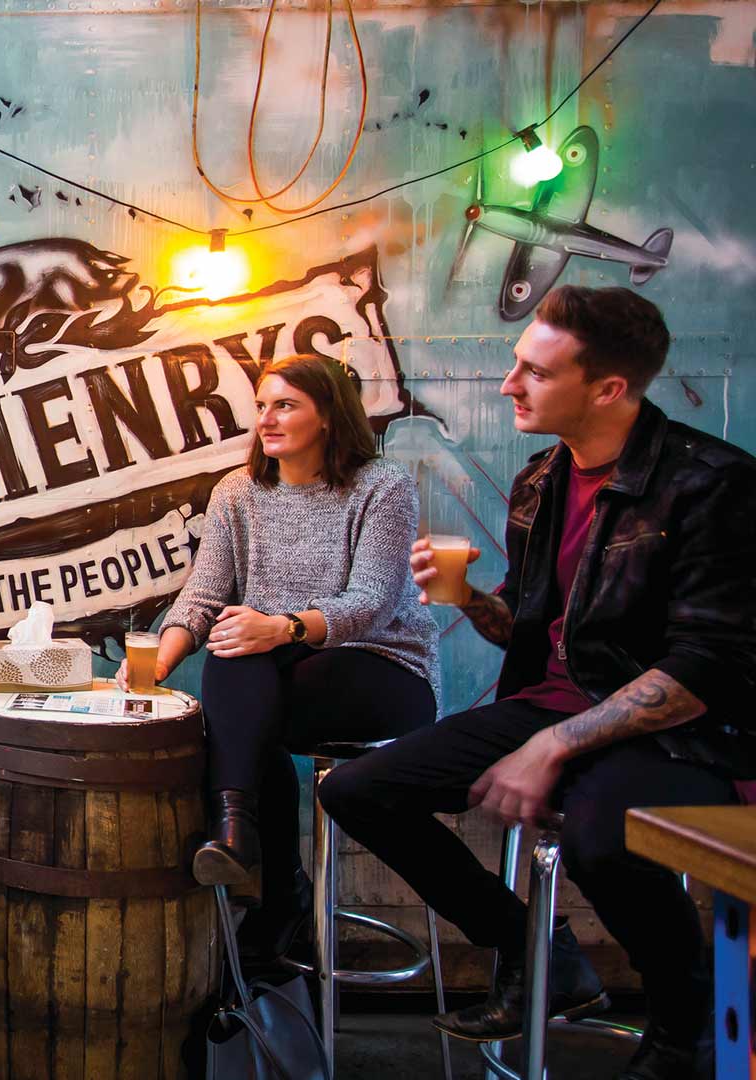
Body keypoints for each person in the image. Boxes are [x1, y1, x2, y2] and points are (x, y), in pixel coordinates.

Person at [319, 286, 756, 1080]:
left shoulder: (711, 485)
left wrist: (554, 744)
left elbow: (705, 668)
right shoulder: (540, 481)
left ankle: (684, 1032)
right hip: (552, 706)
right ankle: (540, 952)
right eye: (517, 365)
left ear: (608, 389)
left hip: (678, 734)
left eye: (535, 372)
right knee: (356, 788)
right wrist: (468, 602)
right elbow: (531, 629)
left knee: (600, 831)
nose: (507, 384)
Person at [121, 353, 439, 963]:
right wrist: (156, 665)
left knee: (245, 689)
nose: (265, 418)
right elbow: (205, 593)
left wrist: (283, 628)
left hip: (381, 668)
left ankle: (267, 876)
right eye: (262, 405)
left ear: (327, 416)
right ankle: (243, 842)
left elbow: (370, 601)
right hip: (273, 673)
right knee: (234, 649)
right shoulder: (239, 491)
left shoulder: (382, 484)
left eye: (285, 405)